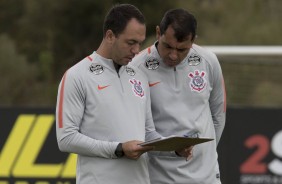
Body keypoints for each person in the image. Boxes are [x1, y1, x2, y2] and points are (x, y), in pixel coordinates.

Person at [55, 4, 191, 184]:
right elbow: (66, 139)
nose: (136, 50)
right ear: (110, 36)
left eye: (140, 43)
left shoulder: (140, 76)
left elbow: (148, 135)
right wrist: (118, 149)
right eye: (131, 42)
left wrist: (174, 148)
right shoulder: (77, 76)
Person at [130, 8, 226, 184]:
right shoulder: (136, 68)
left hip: (207, 176)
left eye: (182, 49)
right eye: (168, 46)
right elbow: (136, 128)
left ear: (193, 41)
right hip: (159, 177)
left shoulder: (209, 61)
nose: (173, 55)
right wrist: (170, 150)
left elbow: (218, 115)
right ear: (158, 33)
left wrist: (205, 153)